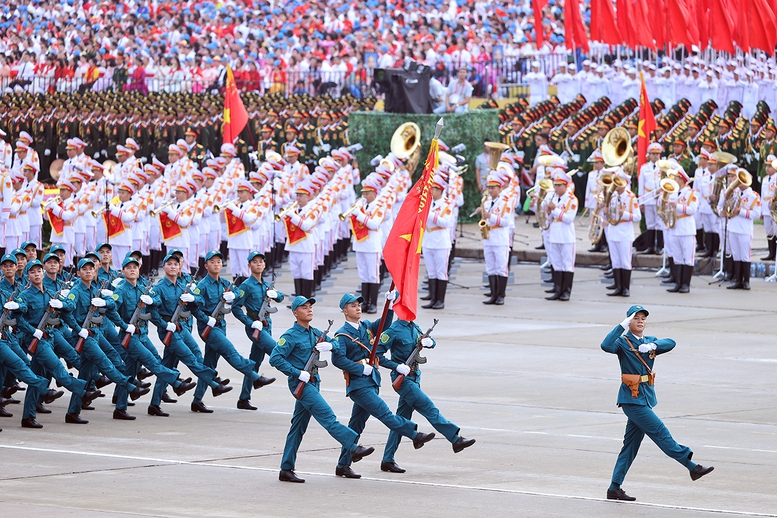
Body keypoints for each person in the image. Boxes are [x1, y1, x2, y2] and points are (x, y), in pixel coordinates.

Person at [601, 305, 714, 501]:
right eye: (636, 318)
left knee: (630, 447)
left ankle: (614, 488)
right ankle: (692, 467)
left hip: (645, 398)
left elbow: (671, 342)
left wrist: (653, 346)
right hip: (632, 400)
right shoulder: (622, 342)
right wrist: (621, 326)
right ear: (629, 321)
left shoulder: (649, 341)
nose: (641, 321)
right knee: (661, 433)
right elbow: (605, 345)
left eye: (643, 318)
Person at [269, 295, 375, 483]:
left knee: (298, 428)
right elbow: (275, 358)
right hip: (301, 384)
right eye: (304, 308)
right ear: (295, 313)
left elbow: (335, 342)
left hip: (313, 382)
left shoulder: (315, 332)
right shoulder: (290, 336)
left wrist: (329, 345)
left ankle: (286, 468)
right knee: (328, 416)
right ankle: (353, 445)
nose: (309, 310)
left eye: (310, 307)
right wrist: (296, 372)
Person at [331, 292, 435, 477]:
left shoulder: (366, 327)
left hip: (370, 383)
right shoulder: (342, 335)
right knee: (385, 413)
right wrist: (359, 370)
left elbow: (384, 324)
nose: (358, 307)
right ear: (344, 311)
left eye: (358, 304)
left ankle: (343, 465)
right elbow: (338, 360)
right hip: (358, 385)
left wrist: (389, 303)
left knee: (356, 425)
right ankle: (414, 434)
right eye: (353, 305)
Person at [377, 317, 475, 472]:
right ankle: (455, 439)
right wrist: (396, 366)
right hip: (403, 380)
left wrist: (431, 343)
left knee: (401, 420)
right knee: (429, 408)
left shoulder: (414, 327)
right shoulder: (392, 330)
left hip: (415, 377)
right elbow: (377, 355)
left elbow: (426, 340)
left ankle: (387, 460)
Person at [148, 253, 232, 417]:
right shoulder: (158, 288)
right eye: (169, 264)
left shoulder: (182, 286)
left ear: (180, 267)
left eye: (175, 264)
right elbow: (151, 311)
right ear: (164, 267)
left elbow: (200, 302)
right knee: (190, 358)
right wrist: (165, 325)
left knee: (175, 362)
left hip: (182, 328)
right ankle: (214, 383)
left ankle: (154, 404)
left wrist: (193, 297)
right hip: (169, 331)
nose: (173, 267)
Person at [189, 250, 264, 412]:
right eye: (212, 262)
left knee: (209, 363)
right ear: (206, 265)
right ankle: (255, 376)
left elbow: (237, 291)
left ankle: (197, 400)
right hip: (208, 327)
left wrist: (232, 295)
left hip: (220, 325)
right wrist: (205, 318)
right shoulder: (202, 285)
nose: (216, 265)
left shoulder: (224, 283)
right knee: (230, 352)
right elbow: (192, 306)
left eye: (219, 262)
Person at [231, 251, 282, 410]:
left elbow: (280, 297)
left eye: (261, 261)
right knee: (277, 351)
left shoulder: (266, 284)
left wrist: (276, 295)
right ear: (249, 265)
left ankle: (244, 399)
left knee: (254, 362)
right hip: (255, 325)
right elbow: (236, 308)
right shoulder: (245, 285)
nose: (258, 264)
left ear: (265, 264)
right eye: (255, 262)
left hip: (267, 324)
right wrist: (250, 323)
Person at [720, 169, 761, 290]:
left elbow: (757, 214)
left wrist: (741, 212)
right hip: (733, 227)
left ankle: (746, 281)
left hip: (744, 229)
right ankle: (738, 280)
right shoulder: (733, 192)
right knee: (736, 255)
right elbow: (724, 204)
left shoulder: (753, 195)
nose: (738, 183)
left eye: (741, 180)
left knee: (745, 255)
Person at [603, 169, 641, 297]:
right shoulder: (612, 195)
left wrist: (623, 214)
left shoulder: (631, 197)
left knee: (625, 261)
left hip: (625, 233)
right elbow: (608, 214)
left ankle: (625, 288)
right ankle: (618, 286)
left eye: (618, 182)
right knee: (616, 261)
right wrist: (605, 210)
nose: (615, 185)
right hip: (613, 231)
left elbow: (637, 217)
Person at [542, 170, 578, 301]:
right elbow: (551, 218)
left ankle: (566, 291)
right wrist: (548, 212)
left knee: (567, 264)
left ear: (565, 185)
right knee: (556, 263)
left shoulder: (571, 199)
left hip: (566, 235)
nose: (556, 188)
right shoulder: (553, 197)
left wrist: (555, 210)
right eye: (555, 185)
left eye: (559, 185)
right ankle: (557, 290)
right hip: (554, 234)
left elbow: (569, 218)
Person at [420, 175, 454, 309]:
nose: (430, 192)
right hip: (428, 240)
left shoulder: (447, 203)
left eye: (433, 189)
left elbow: (445, 222)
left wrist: (429, 213)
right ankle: (433, 299)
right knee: (431, 271)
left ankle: (440, 300)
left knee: (441, 272)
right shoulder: (427, 203)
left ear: (440, 190)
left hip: (441, 241)